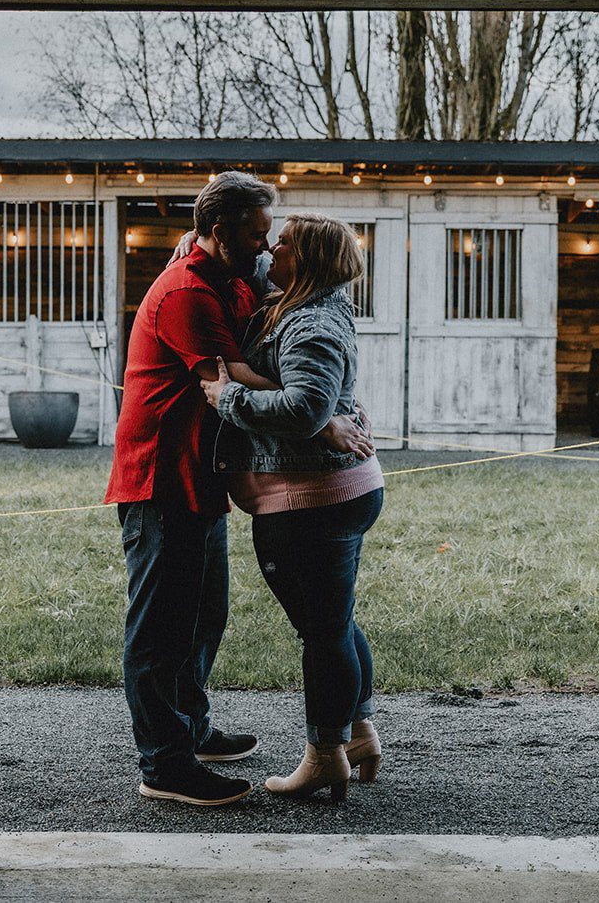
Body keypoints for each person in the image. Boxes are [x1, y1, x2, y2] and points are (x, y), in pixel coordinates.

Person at [105, 174, 373, 807]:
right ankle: (164, 763)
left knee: (204, 614)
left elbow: (281, 310)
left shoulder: (234, 273)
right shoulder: (186, 293)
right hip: (161, 473)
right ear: (220, 232)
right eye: (256, 237)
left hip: (205, 474)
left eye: (269, 240)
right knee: (160, 626)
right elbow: (231, 377)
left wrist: (320, 406)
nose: (264, 249)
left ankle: (192, 730)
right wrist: (321, 412)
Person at [201, 212, 385, 804]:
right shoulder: (297, 298)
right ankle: (357, 735)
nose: (268, 249)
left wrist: (227, 396)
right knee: (335, 622)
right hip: (323, 491)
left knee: (324, 631)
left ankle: (324, 754)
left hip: (312, 499)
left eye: (280, 244)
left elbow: (305, 408)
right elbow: (199, 239)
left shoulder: (311, 325)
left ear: (302, 262)